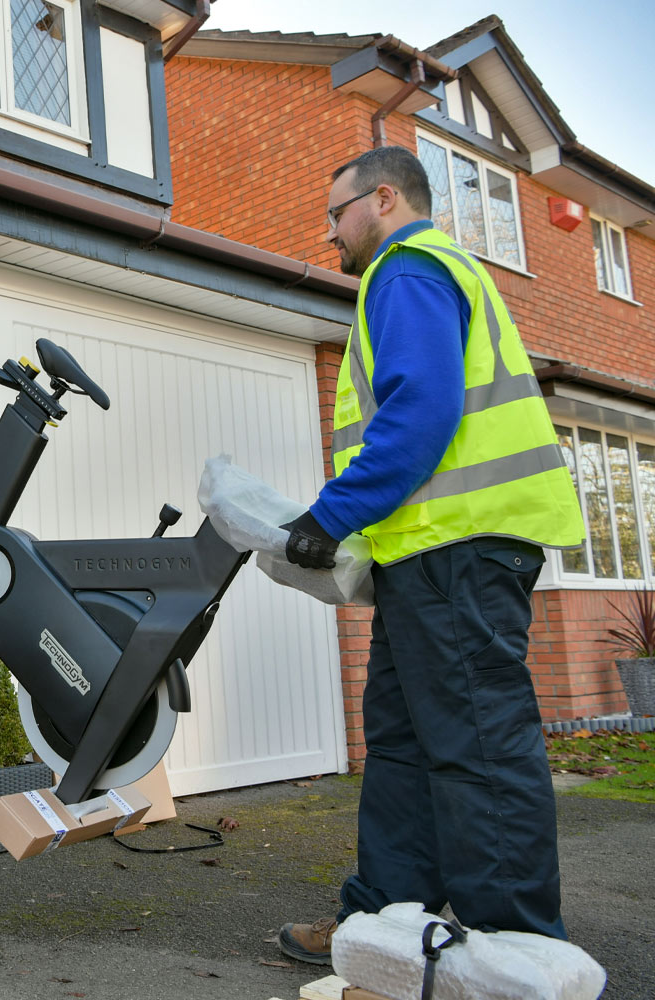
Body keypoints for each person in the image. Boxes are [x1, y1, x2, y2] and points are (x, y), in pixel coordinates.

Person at [277, 147, 585, 963]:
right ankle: (382, 928)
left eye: (336, 211)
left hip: (461, 553)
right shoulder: (424, 274)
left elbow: (422, 412)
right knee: (407, 743)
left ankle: (516, 955)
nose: (331, 231)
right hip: (429, 560)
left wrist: (330, 515)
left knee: (477, 745)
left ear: (383, 198)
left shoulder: (408, 270)